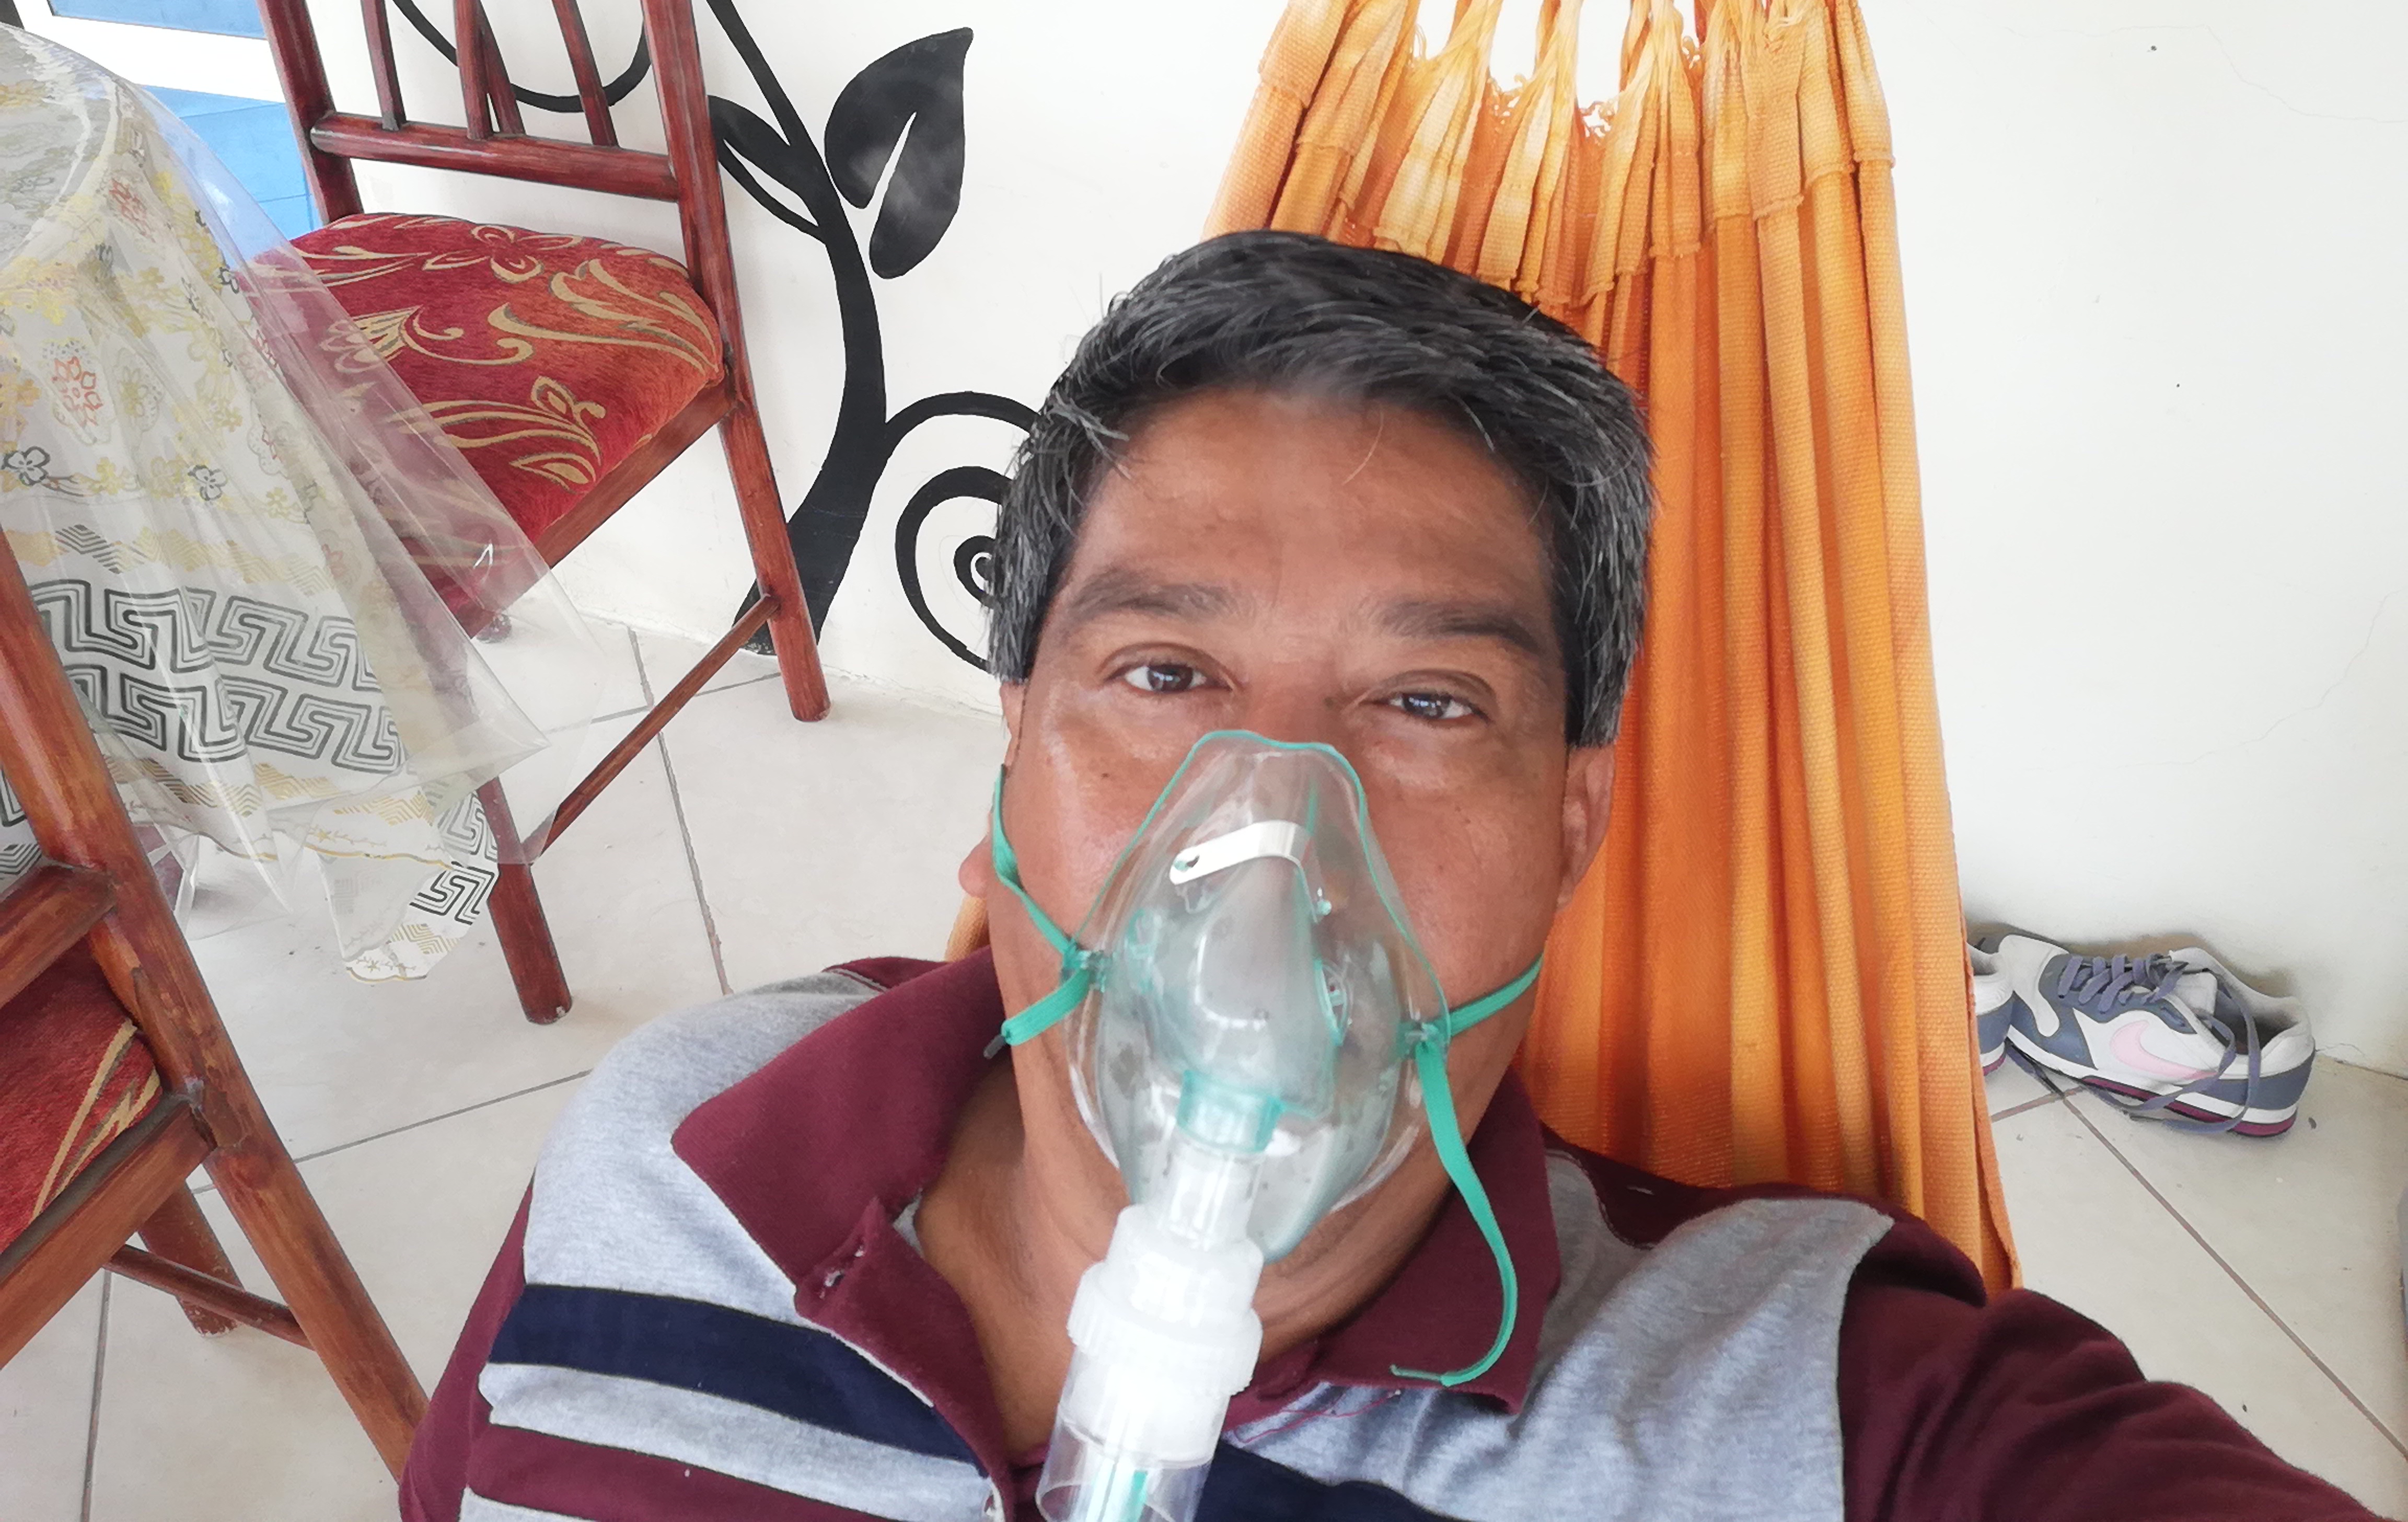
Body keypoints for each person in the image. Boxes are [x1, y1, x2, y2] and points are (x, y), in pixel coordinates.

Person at [402, 232, 2374, 1522]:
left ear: (1575, 821)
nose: (1268, 853)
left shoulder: (1797, 1413)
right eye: (1163, 675)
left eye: (1428, 703)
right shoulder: (664, 1161)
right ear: (1013, 742)